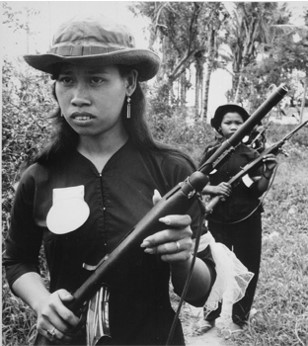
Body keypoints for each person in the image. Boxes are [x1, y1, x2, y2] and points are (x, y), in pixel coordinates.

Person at [3, 15, 217, 346]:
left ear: (130, 82)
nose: (77, 97)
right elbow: (18, 261)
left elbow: (200, 293)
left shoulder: (172, 171)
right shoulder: (39, 176)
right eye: (66, 80)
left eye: (97, 80)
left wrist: (181, 256)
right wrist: (42, 301)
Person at [199, 104, 277, 331]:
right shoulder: (212, 153)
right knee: (215, 265)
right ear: (219, 127)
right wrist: (213, 190)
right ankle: (210, 315)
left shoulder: (252, 156)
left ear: (247, 127)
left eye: (238, 123)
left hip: (247, 220)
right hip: (218, 219)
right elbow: (198, 180)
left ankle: (239, 319)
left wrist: (268, 171)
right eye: (228, 122)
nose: (234, 127)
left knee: (247, 265)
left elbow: (257, 189)